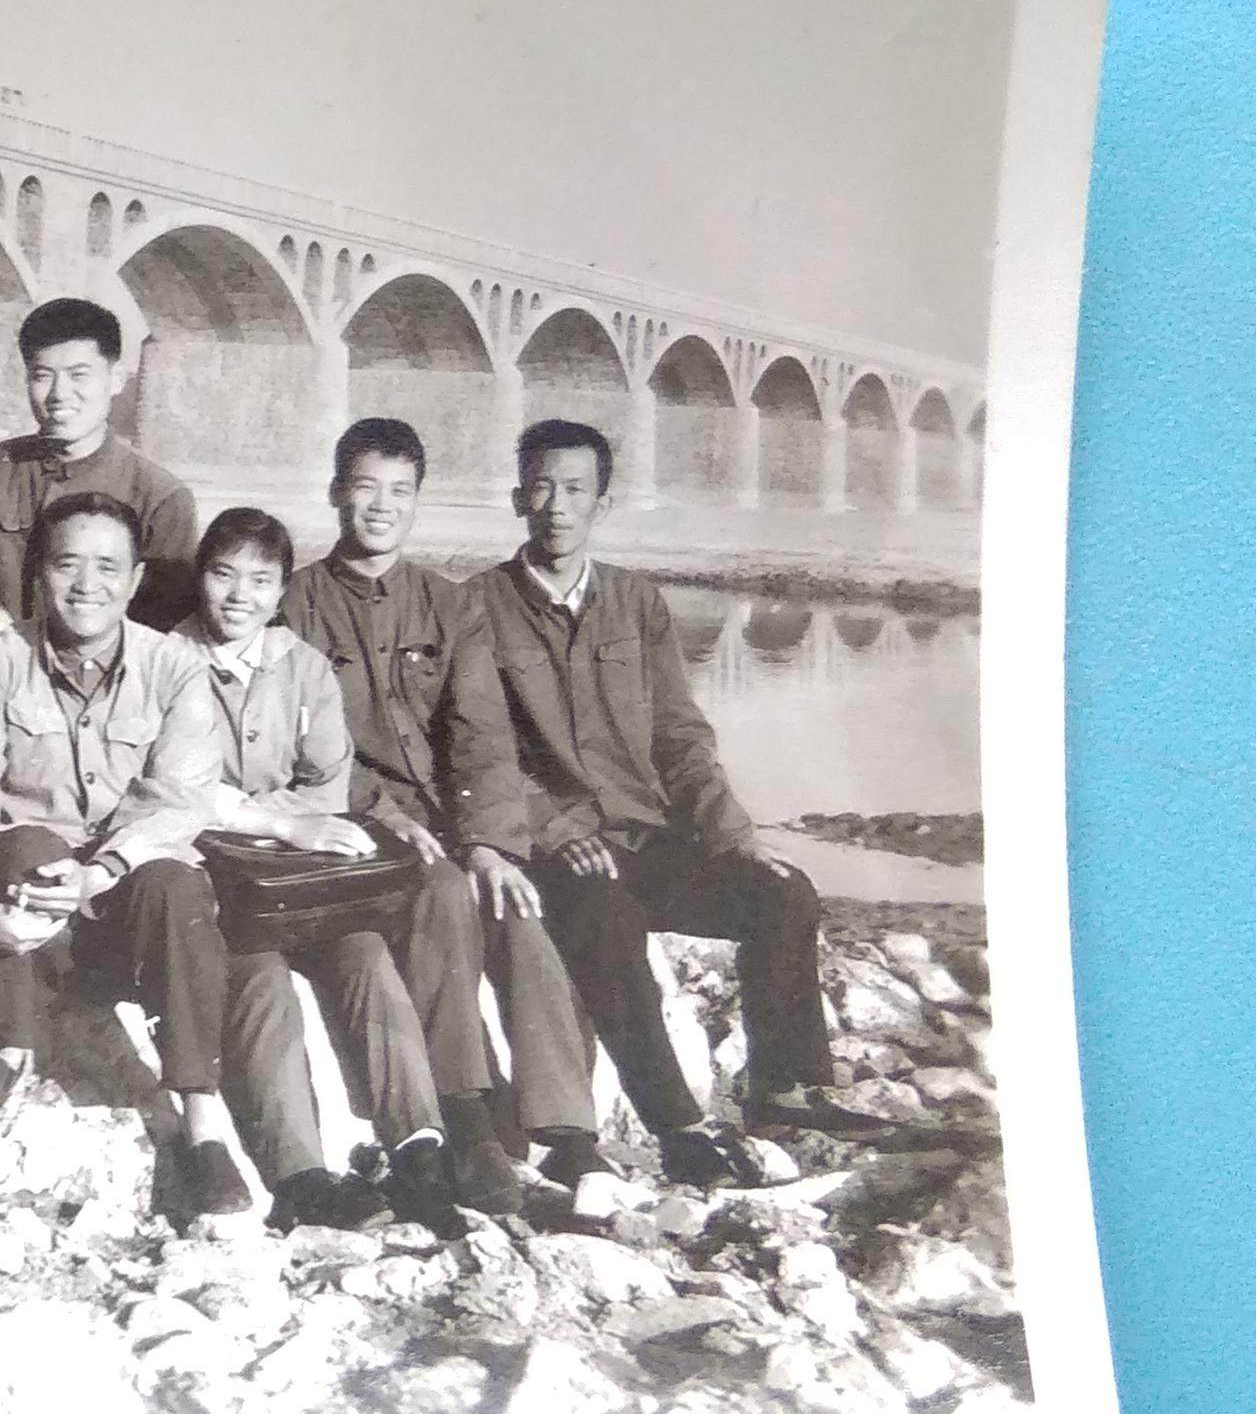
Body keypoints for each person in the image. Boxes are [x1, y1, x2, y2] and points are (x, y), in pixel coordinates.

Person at [462, 416, 856, 1185]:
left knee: (783, 895)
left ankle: (783, 1089)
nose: (556, 505)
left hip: (649, 837)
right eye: (540, 485)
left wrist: (733, 835)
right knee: (606, 920)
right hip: (562, 849)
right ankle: (677, 1123)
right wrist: (550, 826)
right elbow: (480, 748)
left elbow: (680, 734)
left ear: (601, 502)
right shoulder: (476, 606)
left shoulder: (637, 603)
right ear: (517, 496)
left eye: (575, 488)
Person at [0, 491, 252, 1219]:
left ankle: (201, 1114)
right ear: (39, 572)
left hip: (122, 898)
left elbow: (181, 798)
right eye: (68, 563)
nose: (86, 584)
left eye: (109, 567)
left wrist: (101, 869)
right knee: (29, 844)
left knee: (177, 883)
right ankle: (11, 1047)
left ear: (135, 581)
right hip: (28, 905)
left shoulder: (174, 667)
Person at [277, 415, 584, 1203]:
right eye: (366, 488)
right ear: (336, 494)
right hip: (348, 818)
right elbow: (294, 745)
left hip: (447, 820)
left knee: (516, 905)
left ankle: (567, 1133)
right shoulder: (294, 604)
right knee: (442, 890)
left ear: (417, 503)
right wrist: (380, 809)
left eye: (400, 492)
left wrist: (488, 842)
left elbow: (481, 736)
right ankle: (468, 1117)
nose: (382, 507)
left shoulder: (449, 606)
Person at [181, 508, 475, 1232]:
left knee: (366, 955)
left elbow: (330, 782)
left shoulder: (304, 667)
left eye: (260, 581)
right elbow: (167, 786)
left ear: (281, 592)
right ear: (201, 579)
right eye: (223, 575)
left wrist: (258, 810)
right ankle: (300, 1173)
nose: (239, 596)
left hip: (302, 879)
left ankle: (419, 1148)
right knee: (261, 980)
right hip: (214, 880)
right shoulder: (164, 660)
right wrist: (268, 817)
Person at [0, 295, 205, 630]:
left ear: (116, 379)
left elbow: (165, 617)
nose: (59, 394)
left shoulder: (161, 497)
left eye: (79, 375)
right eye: (42, 376)